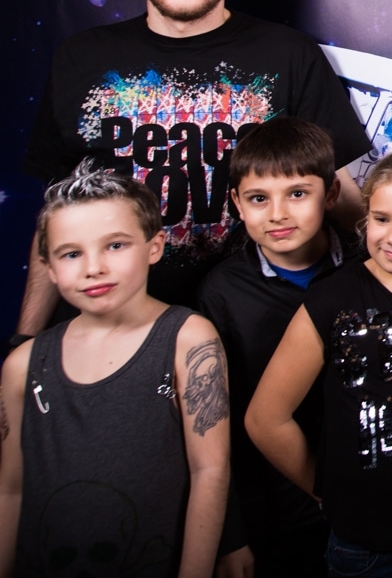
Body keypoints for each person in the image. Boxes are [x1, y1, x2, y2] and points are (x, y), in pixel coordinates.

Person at [21, 0, 371, 336]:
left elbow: (341, 193)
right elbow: (58, 213)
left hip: (253, 328)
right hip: (113, 331)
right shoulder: (81, 58)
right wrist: (26, 338)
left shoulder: (289, 55)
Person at [246, 149, 392, 578]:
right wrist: (325, 491)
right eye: (381, 219)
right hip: (370, 549)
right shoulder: (333, 299)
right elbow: (266, 419)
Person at [0, 162, 231, 578]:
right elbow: (10, 489)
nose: (94, 267)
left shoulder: (188, 340)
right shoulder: (23, 365)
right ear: (49, 268)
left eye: (115, 246)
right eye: (72, 254)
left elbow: (210, 471)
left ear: (154, 246)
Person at [197, 117, 358, 577]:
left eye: (298, 194)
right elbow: (213, 425)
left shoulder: (369, 265)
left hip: (368, 495)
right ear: (236, 203)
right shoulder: (221, 293)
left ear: (331, 194)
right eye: (258, 199)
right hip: (276, 511)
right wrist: (231, 534)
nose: (278, 214)